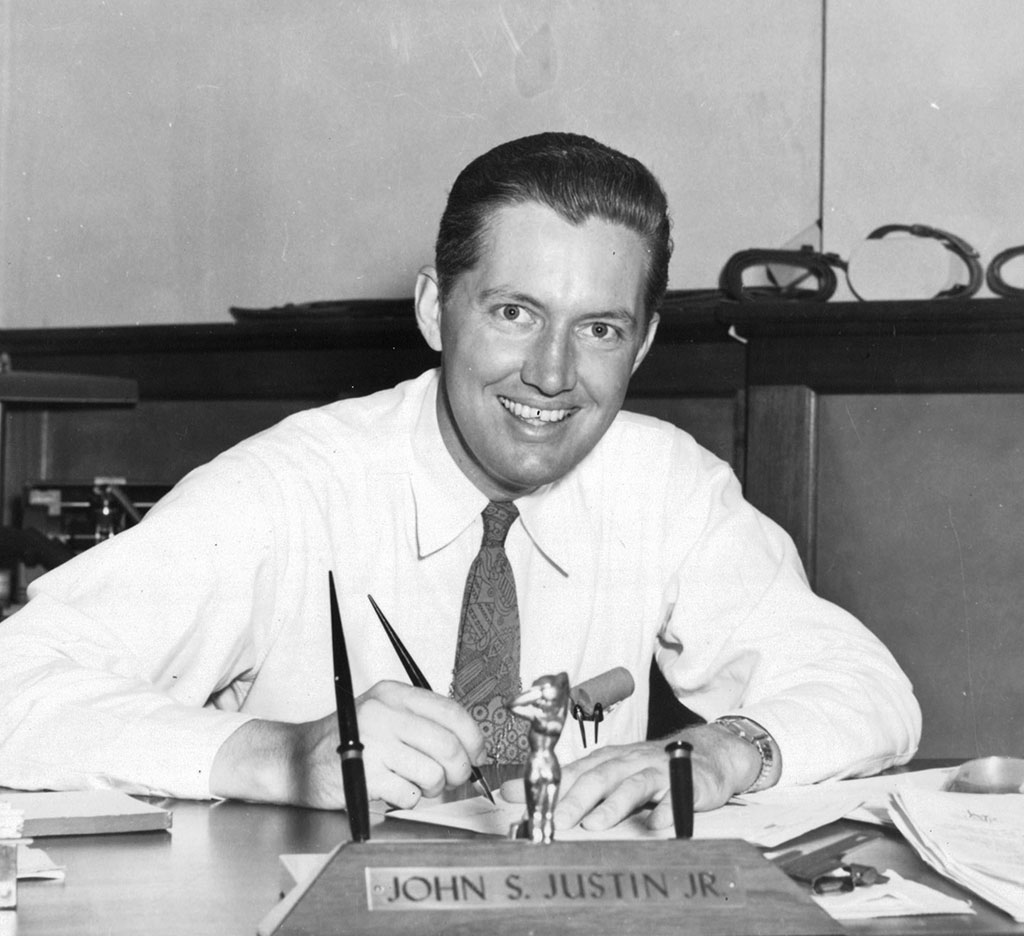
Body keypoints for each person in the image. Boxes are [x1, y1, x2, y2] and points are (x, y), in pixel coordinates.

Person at [0, 133, 921, 832]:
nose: (553, 374)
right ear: (436, 309)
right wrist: (276, 756)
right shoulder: (287, 488)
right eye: (516, 312)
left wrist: (731, 749)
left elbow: (868, 691)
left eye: (599, 329)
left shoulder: (665, 485)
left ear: (640, 344)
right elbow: (16, 681)